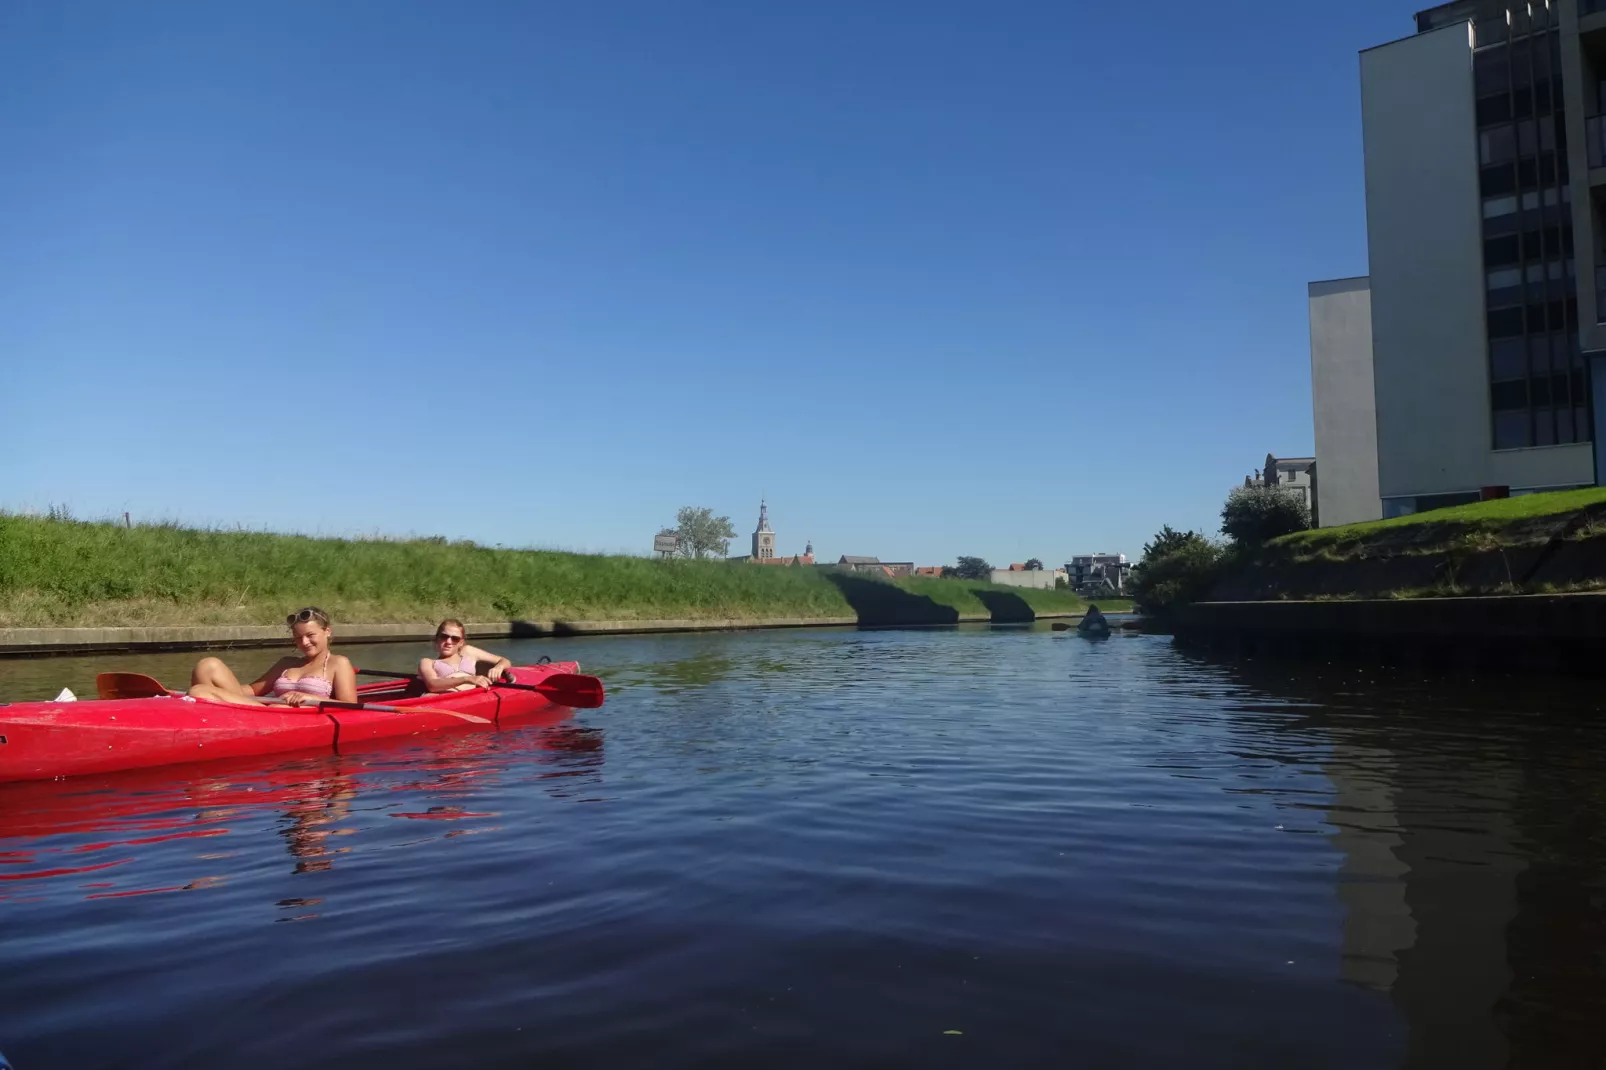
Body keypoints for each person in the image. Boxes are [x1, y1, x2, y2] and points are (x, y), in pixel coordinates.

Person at [188, 606, 358, 707]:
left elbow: (351, 706)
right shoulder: (286, 663)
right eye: (298, 638)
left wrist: (312, 697)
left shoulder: (339, 663)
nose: (304, 642)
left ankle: (197, 706)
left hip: (292, 718)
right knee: (207, 665)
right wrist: (220, 687)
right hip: (266, 712)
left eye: (310, 635)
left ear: (327, 631)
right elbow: (251, 692)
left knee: (198, 691)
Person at [419, 619, 513, 692]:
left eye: (455, 638)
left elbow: (505, 661)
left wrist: (499, 667)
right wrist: (467, 679)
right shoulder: (427, 662)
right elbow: (432, 685)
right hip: (449, 701)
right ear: (437, 639)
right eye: (444, 636)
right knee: (428, 696)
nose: (448, 642)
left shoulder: (468, 652)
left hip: (473, 698)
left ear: (461, 642)